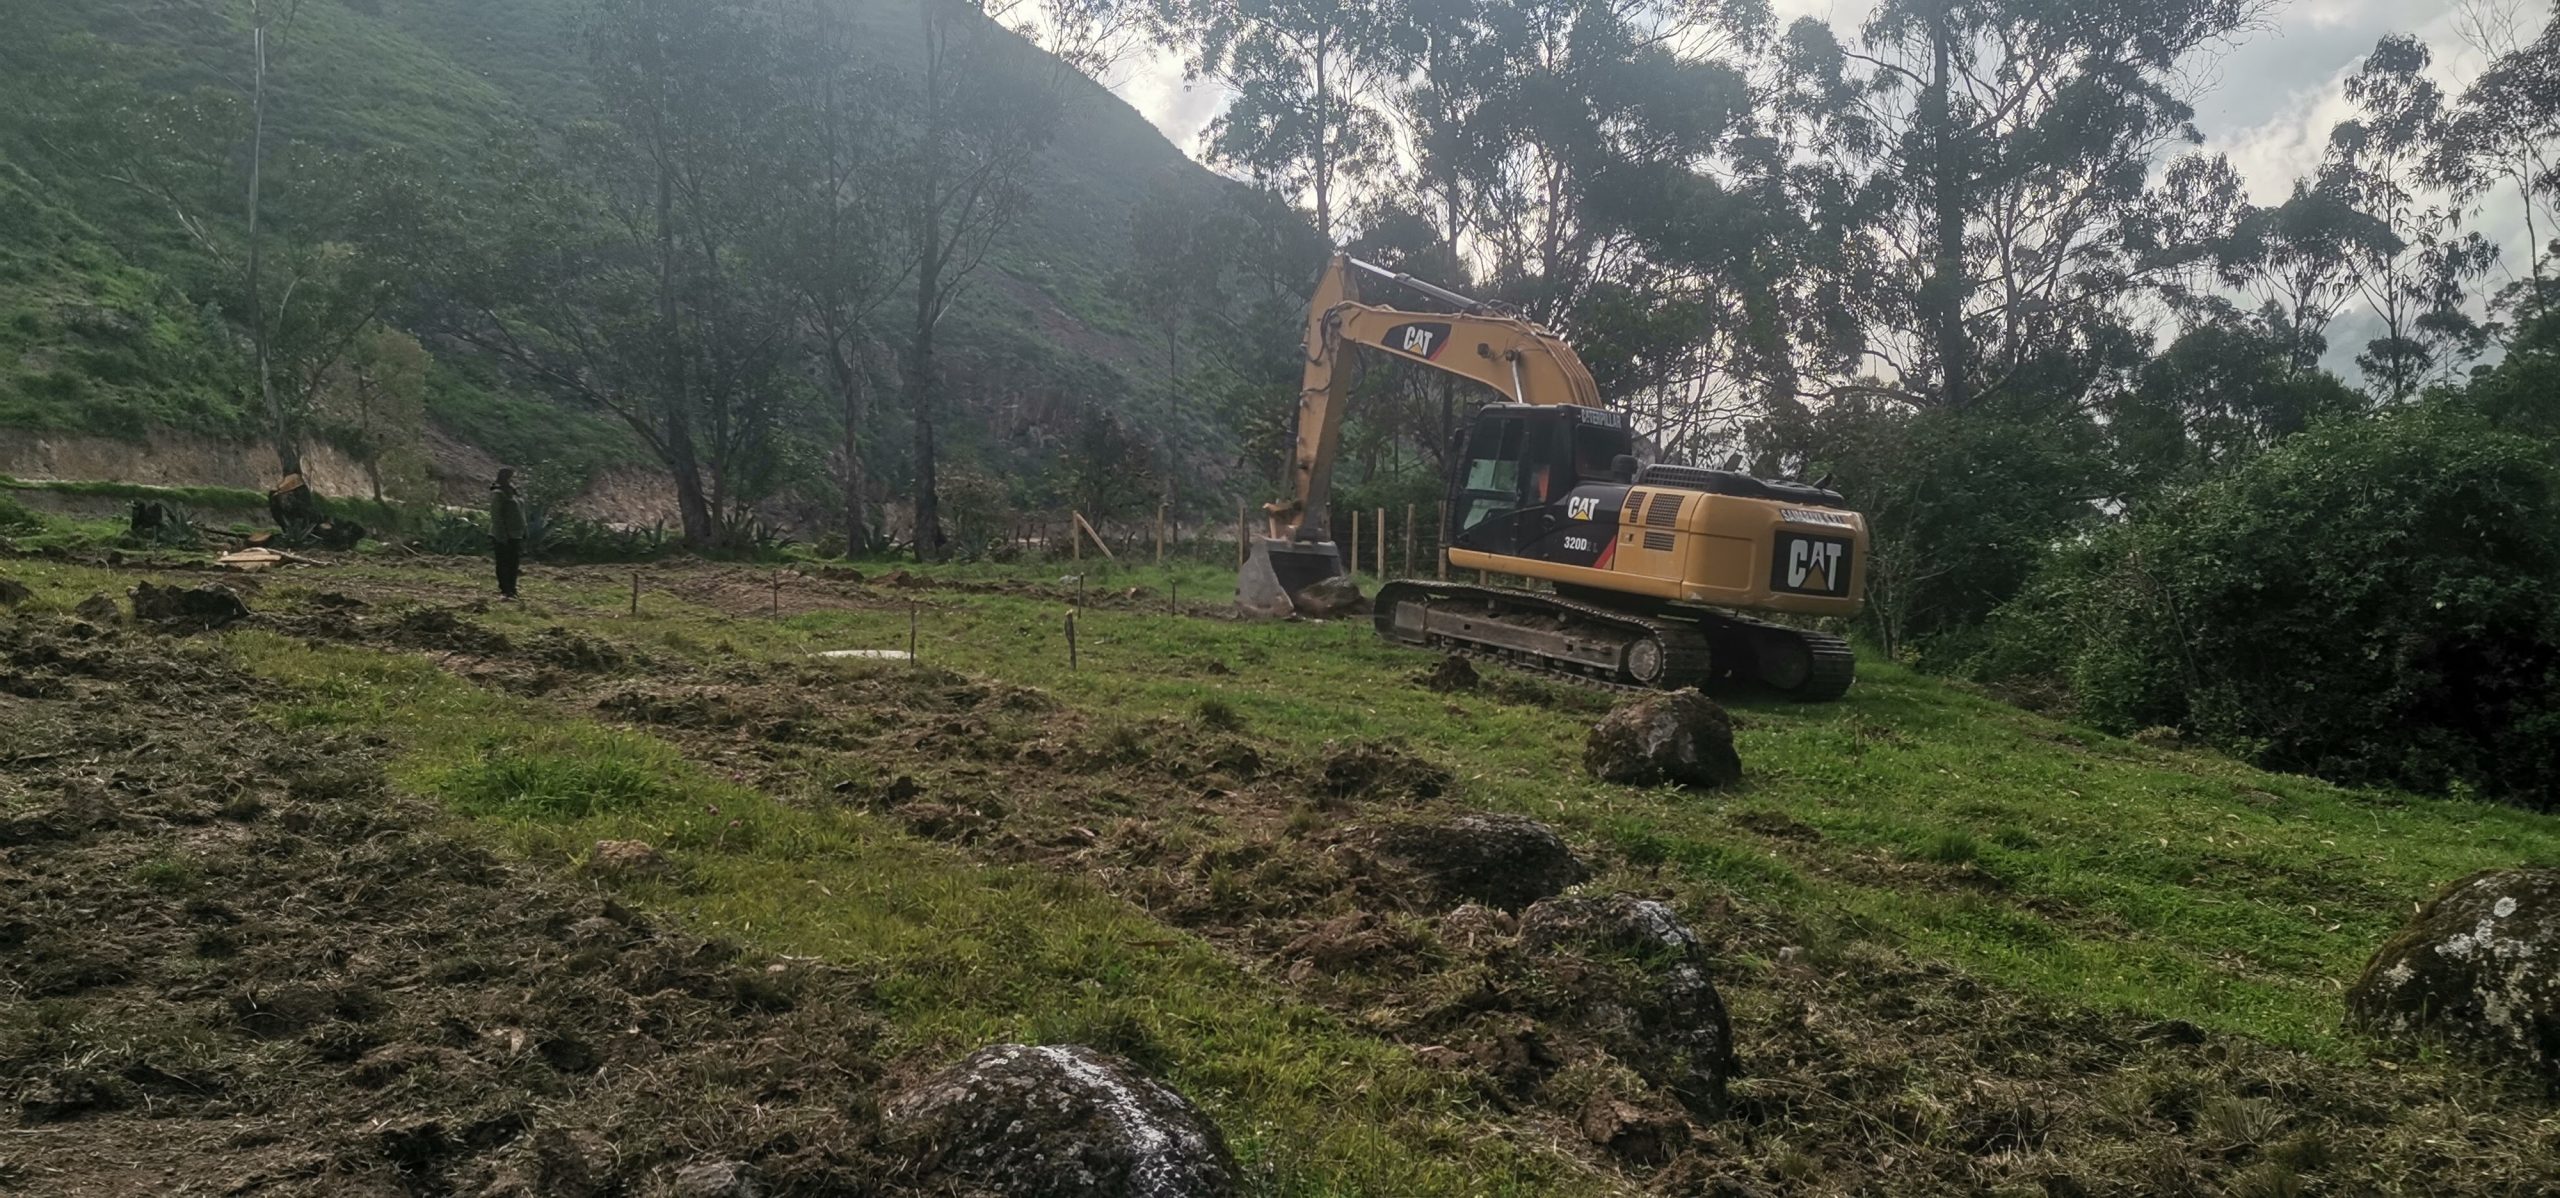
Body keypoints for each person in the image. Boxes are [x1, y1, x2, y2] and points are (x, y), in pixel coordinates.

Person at [490, 468, 527, 600]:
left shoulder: (514, 492)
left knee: (513, 563)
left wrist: (524, 531)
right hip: (504, 534)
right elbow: (496, 516)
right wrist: (501, 535)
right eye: (509, 477)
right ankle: (505, 589)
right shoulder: (498, 493)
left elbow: (521, 512)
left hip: (516, 534)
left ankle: (512, 588)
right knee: (503, 563)